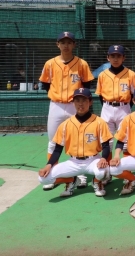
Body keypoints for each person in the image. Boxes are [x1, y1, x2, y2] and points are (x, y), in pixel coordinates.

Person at [39, 32, 94, 190]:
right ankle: (53, 174)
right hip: (56, 105)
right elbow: (46, 84)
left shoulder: (82, 64)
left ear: (74, 44)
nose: (66, 45)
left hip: (74, 105)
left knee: (78, 139)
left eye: (69, 42)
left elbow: (87, 86)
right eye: (63, 42)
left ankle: (81, 175)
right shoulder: (50, 63)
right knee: (53, 141)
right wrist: (57, 95)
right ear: (58, 44)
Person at [38, 88, 112, 198]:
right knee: (43, 179)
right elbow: (57, 150)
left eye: (84, 100)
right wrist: (49, 165)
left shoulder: (99, 122)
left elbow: (106, 146)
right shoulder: (65, 124)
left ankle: (97, 182)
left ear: (90, 102)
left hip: (93, 160)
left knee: (103, 172)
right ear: (73, 102)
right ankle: (71, 180)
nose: (80, 104)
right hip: (73, 162)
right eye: (77, 100)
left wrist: (103, 158)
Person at [95, 45, 135, 141]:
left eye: (118, 56)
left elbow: (134, 95)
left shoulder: (131, 74)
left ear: (123, 58)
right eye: (113, 56)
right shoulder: (102, 75)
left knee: (125, 139)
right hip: (107, 108)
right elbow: (100, 95)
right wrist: (107, 105)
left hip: (124, 108)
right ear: (108, 57)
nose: (115, 59)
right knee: (106, 139)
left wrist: (126, 106)